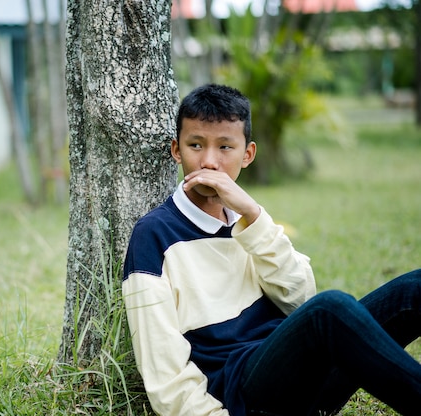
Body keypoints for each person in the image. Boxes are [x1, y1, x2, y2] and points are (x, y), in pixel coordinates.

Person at [122, 83, 421, 416]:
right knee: (330, 308)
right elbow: (164, 371)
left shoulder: (247, 220)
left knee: (414, 289)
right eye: (196, 145)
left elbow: (299, 299)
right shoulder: (154, 235)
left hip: (301, 373)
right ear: (176, 150)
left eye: (225, 147)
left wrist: (253, 216)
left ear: (247, 154)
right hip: (246, 392)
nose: (209, 161)